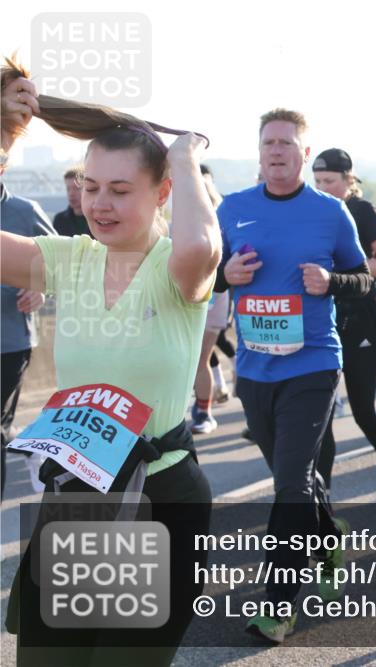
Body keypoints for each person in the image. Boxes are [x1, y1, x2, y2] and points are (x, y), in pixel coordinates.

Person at [1, 57, 217, 665]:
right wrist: (4, 141)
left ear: (163, 193)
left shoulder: (178, 267)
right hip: (78, 494)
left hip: (159, 496)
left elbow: (203, 243)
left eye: (121, 190)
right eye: (91, 187)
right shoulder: (71, 258)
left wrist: (182, 152)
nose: (100, 204)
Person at [214, 108, 373, 642]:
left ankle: (279, 604)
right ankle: (328, 538)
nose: (276, 151)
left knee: (287, 485)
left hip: (313, 364)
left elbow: (364, 280)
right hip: (254, 370)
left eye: (286, 143)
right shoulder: (233, 208)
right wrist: (225, 274)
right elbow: (200, 273)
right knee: (297, 477)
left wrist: (331, 281)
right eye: (268, 143)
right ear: (258, 153)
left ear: (305, 153)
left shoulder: (331, 213)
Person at [312, 147, 376, 506]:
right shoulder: (313, 208)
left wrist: (343, 272)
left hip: (361, 319)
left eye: (330, 181)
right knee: (323, 415)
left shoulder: (361, 211)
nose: (322, 187)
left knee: (363, 408)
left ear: (349, 181)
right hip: (323, 321)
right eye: (317, 181)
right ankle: (325, 498)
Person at [0, 146, 54, 496]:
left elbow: (64, 266)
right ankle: (24, 443)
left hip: (9, 342)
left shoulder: (24, 211)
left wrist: (42, 291)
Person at [190, 166, 230, 434]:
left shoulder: (221, 220)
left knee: (201, 356)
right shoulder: (182, 220)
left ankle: (204, 413)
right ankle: (196, 406)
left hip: (214, 294)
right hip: (187, 295)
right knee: (190, 357)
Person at [52, 165, 92, 237]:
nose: (71, 194)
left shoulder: (98, 219)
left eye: (76, 188)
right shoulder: (59, 220)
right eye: (68, 189)